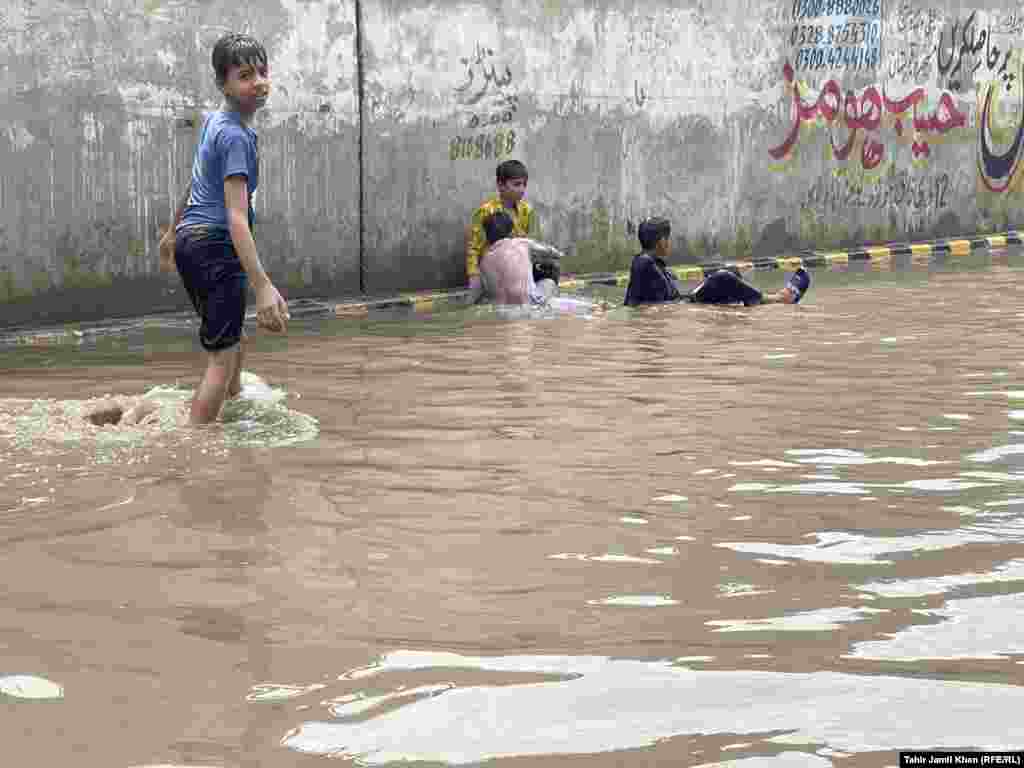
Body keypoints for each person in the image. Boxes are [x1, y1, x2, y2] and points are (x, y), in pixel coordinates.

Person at [157, 33, 289, 425]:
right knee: (222, 356)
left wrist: (171, 232)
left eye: (262, 71)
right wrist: (263, 285)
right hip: (215, 246)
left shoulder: (216, 122)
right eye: (245, 75)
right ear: (223, 84)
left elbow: (195, 182)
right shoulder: (235, 135)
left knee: (230, 334)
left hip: (191, 244)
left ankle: (235, 397)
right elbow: (235, 217)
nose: (259, 81)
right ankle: (197, 441)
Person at [623, 217, 810, 307]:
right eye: (668, 238)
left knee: (728, 272)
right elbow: (638, 302)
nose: (669, 243)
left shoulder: (649, 262)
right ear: (662, 241)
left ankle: (752, 301)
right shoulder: (644, 263)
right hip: (683, 306)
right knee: (722, 278)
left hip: (682, 303)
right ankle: (780, 298)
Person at [465, 160, 560, 303]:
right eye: (516, 184)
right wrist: (474, 276)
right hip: (495, 269)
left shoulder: (527, 210)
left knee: (549, 269)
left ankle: (538, 298)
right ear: (500, 185)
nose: (521, 189)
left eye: (524, 185)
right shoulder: (486, 211)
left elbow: (534, 243)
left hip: (518, 267)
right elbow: (473, 248)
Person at [478, 211, 560, 305]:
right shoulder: (522, 243)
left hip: (501, 307)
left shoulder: (484, 261)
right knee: (551, 268)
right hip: (529, 303)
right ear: (511, 231)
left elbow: (486, 290)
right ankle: (547, 301)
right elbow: (552, 253)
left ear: (487, 236)